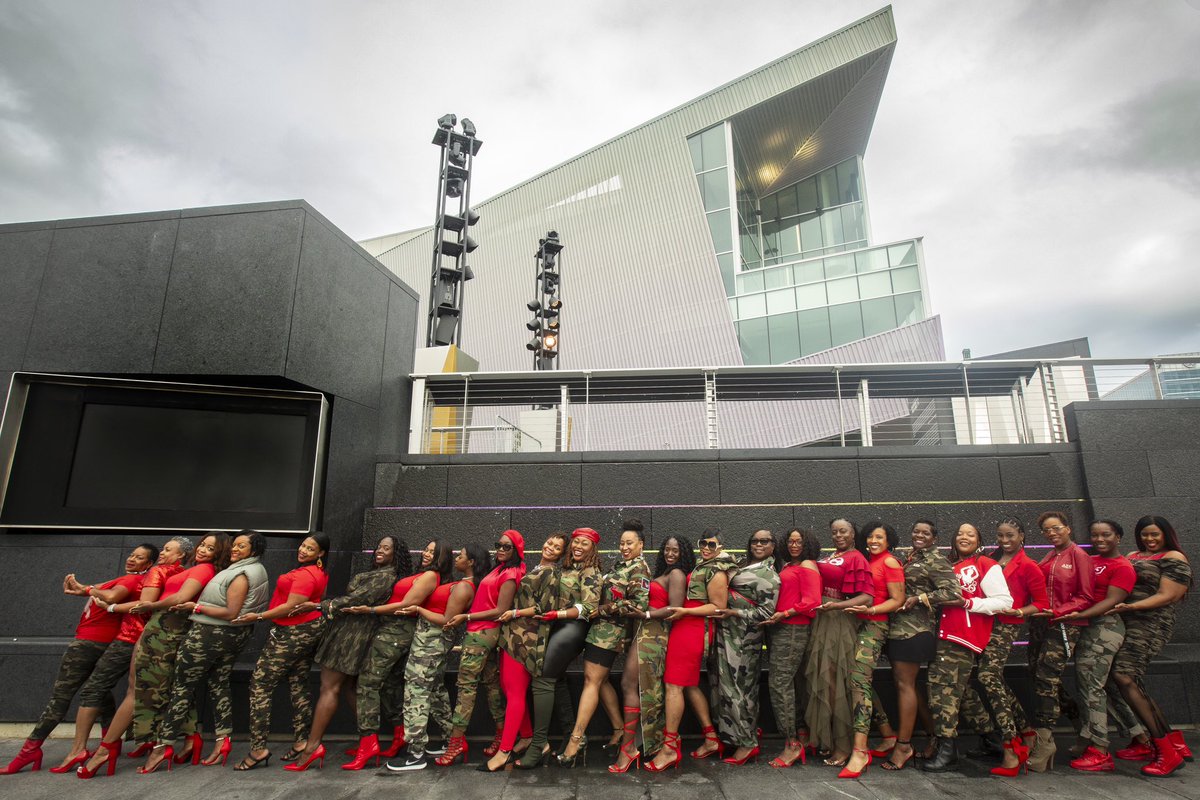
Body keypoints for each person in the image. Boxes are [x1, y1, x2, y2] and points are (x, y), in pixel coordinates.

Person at [1, 544, 157, 776]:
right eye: (132, 554)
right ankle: (110, 742)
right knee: (99, 693)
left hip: (90, 643)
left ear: (149, 564)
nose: (132, 559)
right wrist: (84, 590)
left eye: (140, 557)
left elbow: (113, 597)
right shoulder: (129, 579)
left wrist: (87, 588)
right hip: (97, 641)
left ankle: (30, 750)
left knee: (61, 698)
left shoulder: (132, 581)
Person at [81, 535, 223, 775]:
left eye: (211, 548)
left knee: (136, 691)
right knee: (160, 688)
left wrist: (147, 606)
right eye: (203, 545)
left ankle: (107, 750)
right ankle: (188, 740)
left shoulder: (203, 570)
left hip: (165, 631)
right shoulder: (193, 569)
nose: (203, 550)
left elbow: (180, 598)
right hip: (160, 628)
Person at [282, 535, 411, 771]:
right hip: (352, 632)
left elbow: (356, 600)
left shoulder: (386, 576)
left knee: (329, 688)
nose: (380, 550)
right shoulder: (381, 573)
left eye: (387, 548)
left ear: (397, 554)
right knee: (351, 688)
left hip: (351, 636)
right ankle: (368, 741)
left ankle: (312, 747)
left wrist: (318, 605)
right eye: (379, 546)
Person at [147, 531, 269, 773]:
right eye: (234, 544)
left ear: (253, 551)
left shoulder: (242, 573)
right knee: (218, 684)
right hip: (233, 636)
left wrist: (197, 607)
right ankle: (222, 743)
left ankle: (162, 747)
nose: (234, 549)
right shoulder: (251, 569)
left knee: (182, 686)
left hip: (211, 634)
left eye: (241, 546)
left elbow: (230, 612)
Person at [342, 539, 452, 770]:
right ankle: (398, 736)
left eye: (433, 552)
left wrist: (370, 610)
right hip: (394, 628)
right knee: (390, 683)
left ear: (441, 557)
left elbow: (409, 603)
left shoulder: (431, 576)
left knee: (368, 682)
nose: (426, 553)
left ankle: (368, 742)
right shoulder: (420, 573)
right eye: (426, 548)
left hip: (398, 630)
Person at [959, 518, 1049, 776]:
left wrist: (1019, 610)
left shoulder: (1029, 565)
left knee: (988, 675)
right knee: (991, 677)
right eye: (1000, 535)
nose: (1005, 540)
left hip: (1006, 624)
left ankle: (1013, 744)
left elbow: (1041, 603)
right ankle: (1025, 731)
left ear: (1021, 535)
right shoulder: (988, 558)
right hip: (982, 621)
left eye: (1010, 535)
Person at [387, 543, 489, 771]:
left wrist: (418, 609)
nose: (456, 559)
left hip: (431, 641)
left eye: (461, 556)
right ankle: (450, 739)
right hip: (429, 641)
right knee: (435, 691)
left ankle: (415, 754)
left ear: (471, 562)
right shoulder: (462, 584)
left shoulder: (464, 587)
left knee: (416, 692)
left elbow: (447, 620)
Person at [234, 534, 331, 770]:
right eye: (303, 545)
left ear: (320, 554)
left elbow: (291, 607)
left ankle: (258, 749)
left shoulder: (307, 575)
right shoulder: (315, 572)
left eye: (311, 548)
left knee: (260, 685)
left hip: (292, 632)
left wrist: (258, 616)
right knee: (298, 683)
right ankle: (301, 742)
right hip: (306, 630)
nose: (303, 550)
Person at [558, 521, 650, 768]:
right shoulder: (621, 565)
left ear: (641, 544)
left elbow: (639, 604)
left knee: (591, 681)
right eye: (622, 543)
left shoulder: (639, 569)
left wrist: (605, 608)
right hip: (599, 630)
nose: (624, 547)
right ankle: (619, 730)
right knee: (602, 680)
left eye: (629, 543)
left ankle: (576, 740)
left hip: (609, 633)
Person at [921, 523, 1011, 773]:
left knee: (943, 692)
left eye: (970, 534)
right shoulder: (949, 565)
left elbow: (1004, 601)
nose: (964, 537)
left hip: (961, 637)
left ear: (979, 541)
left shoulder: (986, 565)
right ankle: (990, 740)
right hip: (941, 636)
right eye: (959, 533)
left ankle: (947, 750)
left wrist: (968, 603)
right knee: (963, 693)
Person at [1108, 515, 1192, 777]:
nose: (1150, 539)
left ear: (1166, 534)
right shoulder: (1134, 555)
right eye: (1145, 534)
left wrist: (1131, 606)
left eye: (1155, 534)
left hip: (1151, 624)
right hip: (1128, 623)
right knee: (1132, 681)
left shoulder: (1175, 558)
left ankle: (1165, 753)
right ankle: (1174, 742)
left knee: (1123, 676)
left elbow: (1169, 595)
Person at [646, 528, 737, 771]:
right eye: (703, 543)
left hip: (693, 629)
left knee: (673, 685)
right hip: (686, 627)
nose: (706, 547)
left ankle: (669, 749)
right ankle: (710, 738)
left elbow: (718, 607)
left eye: (712, 544)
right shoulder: (702, 567)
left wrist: (686, 611)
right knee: (688, 685)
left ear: (720, 547)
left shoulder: (716, 570)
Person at [481, 533, 567, 772]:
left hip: (526, 638)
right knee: (510, 691)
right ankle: (529, 737)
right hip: (513, 635)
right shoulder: (536, 568)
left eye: (557, 547)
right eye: (549, 542)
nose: (550, 547)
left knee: (515, 692)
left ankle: (504, 752)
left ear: (561, 554)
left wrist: (515, 613)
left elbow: (546, 608)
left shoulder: (551, 573)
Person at [437, 531, 525, 766]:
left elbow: (499, 610)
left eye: (507, 546)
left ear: (516, 550)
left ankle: (455, 743)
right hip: (482, 633)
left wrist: (466, 616)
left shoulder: (510, 574)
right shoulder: (499, 569)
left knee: (466, 687)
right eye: (499, 545)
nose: (501, 549)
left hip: (482, 633)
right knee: (492, 684)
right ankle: (499, 735)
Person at [516, 528, 602, 769]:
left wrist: (559, 613)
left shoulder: (590, 571)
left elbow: (589, 607)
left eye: (584, 544)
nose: (578, 547)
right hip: (554, 624)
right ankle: (570, 735)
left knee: (542, 678)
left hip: (573, 627)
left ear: (592, 548)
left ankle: (538, 745)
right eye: (575, 542)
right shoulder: (565, 567)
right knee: (557, 678)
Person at [1054, 520, 1135, 772]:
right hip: (1086, 626)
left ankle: (1100, 750)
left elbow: (1111, 601)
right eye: (1095, 535)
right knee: (1102, 687)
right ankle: (1139, 736)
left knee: (1091, 688)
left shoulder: (1123, 567)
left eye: (1106, 535)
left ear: (1118, 537)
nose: (1100, 539)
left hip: (1104, 627)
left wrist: (1077, 615)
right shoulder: (1092, 560)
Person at [607, 534, 692, 773]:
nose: (670, 554)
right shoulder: (664, 573)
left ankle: (629, 748)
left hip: (655, 634)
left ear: (683, 552)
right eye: (667, 549)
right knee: (635, 686)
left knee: (631, 684)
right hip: (645, 631)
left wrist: (645, 615)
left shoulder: (676, 574)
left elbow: (675, 609)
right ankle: (636, 745)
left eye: (675, 550)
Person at [881, 520, 959, 771]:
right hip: (897, 628)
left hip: (915, 630)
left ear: (934, 538)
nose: (919, 535)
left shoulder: (936, 560)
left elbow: (954, 593)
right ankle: (932, 736)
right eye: (916, 531)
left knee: (905, 685)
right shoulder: (909, 557)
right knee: (907, 686)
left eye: (926, 533)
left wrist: (920, 598)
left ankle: (903, 745)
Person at [1025, 511, 1094, 772]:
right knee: (1038, 676)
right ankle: (1082, 729)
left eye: (1056, 528)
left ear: (1067, 528)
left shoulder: (1079, 556)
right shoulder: (1050, 556)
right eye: (1046, 530)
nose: (1051, 533)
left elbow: (1086, 596)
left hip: (1064, 625)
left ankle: (1045, 742)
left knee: (1046, 678)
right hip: (1041, 623)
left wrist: (1057, 612)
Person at [804, 518, 872, 767]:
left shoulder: (857, 558)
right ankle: (830, 741)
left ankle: (845, 747)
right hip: (823, 620)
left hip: (839, 622)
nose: (838, 535)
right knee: (825, 681)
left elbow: (866, 597)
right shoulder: (831, 555)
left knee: (838, 683)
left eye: (843, 531)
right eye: (834, 532)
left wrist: (838, 606)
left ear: (854, 533)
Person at [840, 523, 905, 778]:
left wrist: (871, 611)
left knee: (858, 682)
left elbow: (897, 599)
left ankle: (860, 750)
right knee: (861, 681)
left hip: (875, 627)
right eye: (870, 536)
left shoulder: (889, 563)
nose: (874, 540)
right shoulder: (868, 560)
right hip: (859, 625)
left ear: (890, 541)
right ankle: (887, 734)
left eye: (880, 536)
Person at [713, 529, 781, 766]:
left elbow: (766, 612)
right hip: (725, 636)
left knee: (740, 691)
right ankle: (734, 736)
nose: (758, 544)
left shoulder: (769, 575)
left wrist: (734, 611)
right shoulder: (743, 564)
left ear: (773, 545)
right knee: (725, 688)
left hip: (744, 640)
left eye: (765, 541)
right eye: (755, 541)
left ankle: (748, 743)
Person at [763, 528, 822, 768]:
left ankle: (792, 744)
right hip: (781, 628)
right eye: (790, 540)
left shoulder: (807, 565)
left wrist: (784, 613)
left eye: (799, 541)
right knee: (791, 683)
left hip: (793, 628)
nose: (794, 544)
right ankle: (802, 734)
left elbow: (812, 601)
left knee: (779, 684)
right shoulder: (789, 565)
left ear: (808, 543)